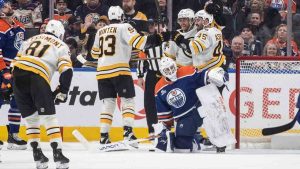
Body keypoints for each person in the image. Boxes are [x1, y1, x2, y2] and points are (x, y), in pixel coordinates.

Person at [91, 6, 169, 146]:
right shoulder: (124, 27)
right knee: (128, 100)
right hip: (120, 69)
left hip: (102, 72)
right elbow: (140, 43)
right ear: (122, 17)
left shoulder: (100, 31)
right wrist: (157, 38)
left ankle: (103, 136)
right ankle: (127, 132)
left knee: (108, 103)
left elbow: (94, 54)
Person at [13, 19, 72, 169]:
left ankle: (37, 154)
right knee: (49, 117)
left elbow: (14, 62)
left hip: (17, 75)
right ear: (60, 33)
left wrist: (9, 85)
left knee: (31, 119)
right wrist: (63, 91)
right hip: (37, 76)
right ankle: (58, 154)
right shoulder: (61, 45)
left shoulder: (30, 39)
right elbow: (67, 70)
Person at [154, 57, 233, 153]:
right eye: (167, 70)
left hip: (201, 105)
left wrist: (214, 74)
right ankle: (194, 141)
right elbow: (165, 114)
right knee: (181, 148)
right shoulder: (159, 88)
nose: (170, 71)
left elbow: (203, 76)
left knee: (214, 115)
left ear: (175, 65)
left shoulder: (187, 71)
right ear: (162, 72)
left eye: (172, 67)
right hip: (185, 117)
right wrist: (164, 128)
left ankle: (221, 143)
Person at [0, 0, 27, 150]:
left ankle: (13, 135)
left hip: (17, 69)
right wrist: (4, 71)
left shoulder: (20, 26)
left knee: (17, 102)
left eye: (9, 5)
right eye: (5, 6)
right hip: (2, 69)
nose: (9, 7)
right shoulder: (0, 26)